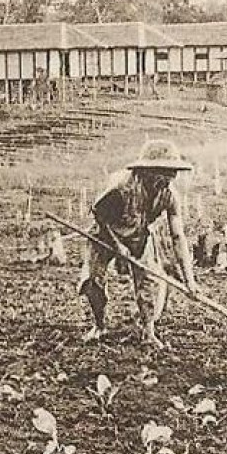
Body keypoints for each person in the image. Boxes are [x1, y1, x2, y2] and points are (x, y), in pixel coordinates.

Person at [80, 139, 197, 347]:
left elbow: (178, 237)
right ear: (148, 171)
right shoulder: (122, 187)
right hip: (104, 233)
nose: (169, 177)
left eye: (173, 172)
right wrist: (118, 246)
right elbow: (100, 215)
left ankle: (148, 331)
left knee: (150, 281)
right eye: (164, 172)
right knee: (93, 281)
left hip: (138, 236)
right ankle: (99, 325)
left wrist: (190, 280)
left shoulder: (169, 196)